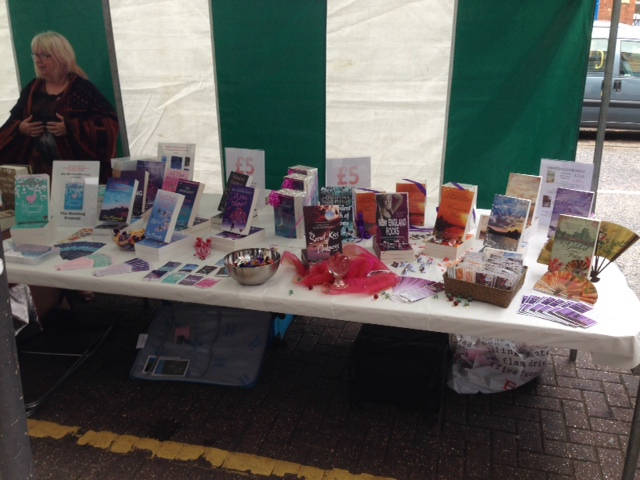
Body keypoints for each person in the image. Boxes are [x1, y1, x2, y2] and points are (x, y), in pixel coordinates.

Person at [0, 31, 119, 183]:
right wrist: (21, 128)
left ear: (61, 57)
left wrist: (71, 127)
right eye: (35, 55)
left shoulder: (81, 89)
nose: (38, 61)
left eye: (46, 56)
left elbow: (110, 125)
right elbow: (12, 123)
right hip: (37, 173)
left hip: (75, 174)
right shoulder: (32, 90)